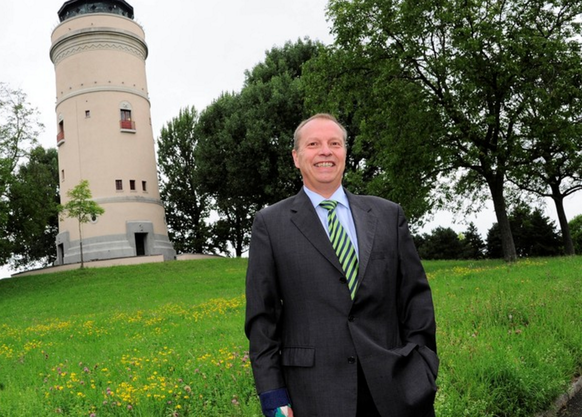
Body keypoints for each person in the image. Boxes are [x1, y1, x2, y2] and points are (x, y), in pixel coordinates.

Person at [245, 113, 438, 417]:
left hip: (395, 386)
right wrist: (272, 395)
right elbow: (262, 318)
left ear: (345, 154)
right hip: (313, 392)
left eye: (334, 143)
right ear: (296, 157)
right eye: (314, 144)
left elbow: (415, 298)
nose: (325, 151)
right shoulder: (270, 224)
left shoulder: (388, 215)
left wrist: (423, 365)